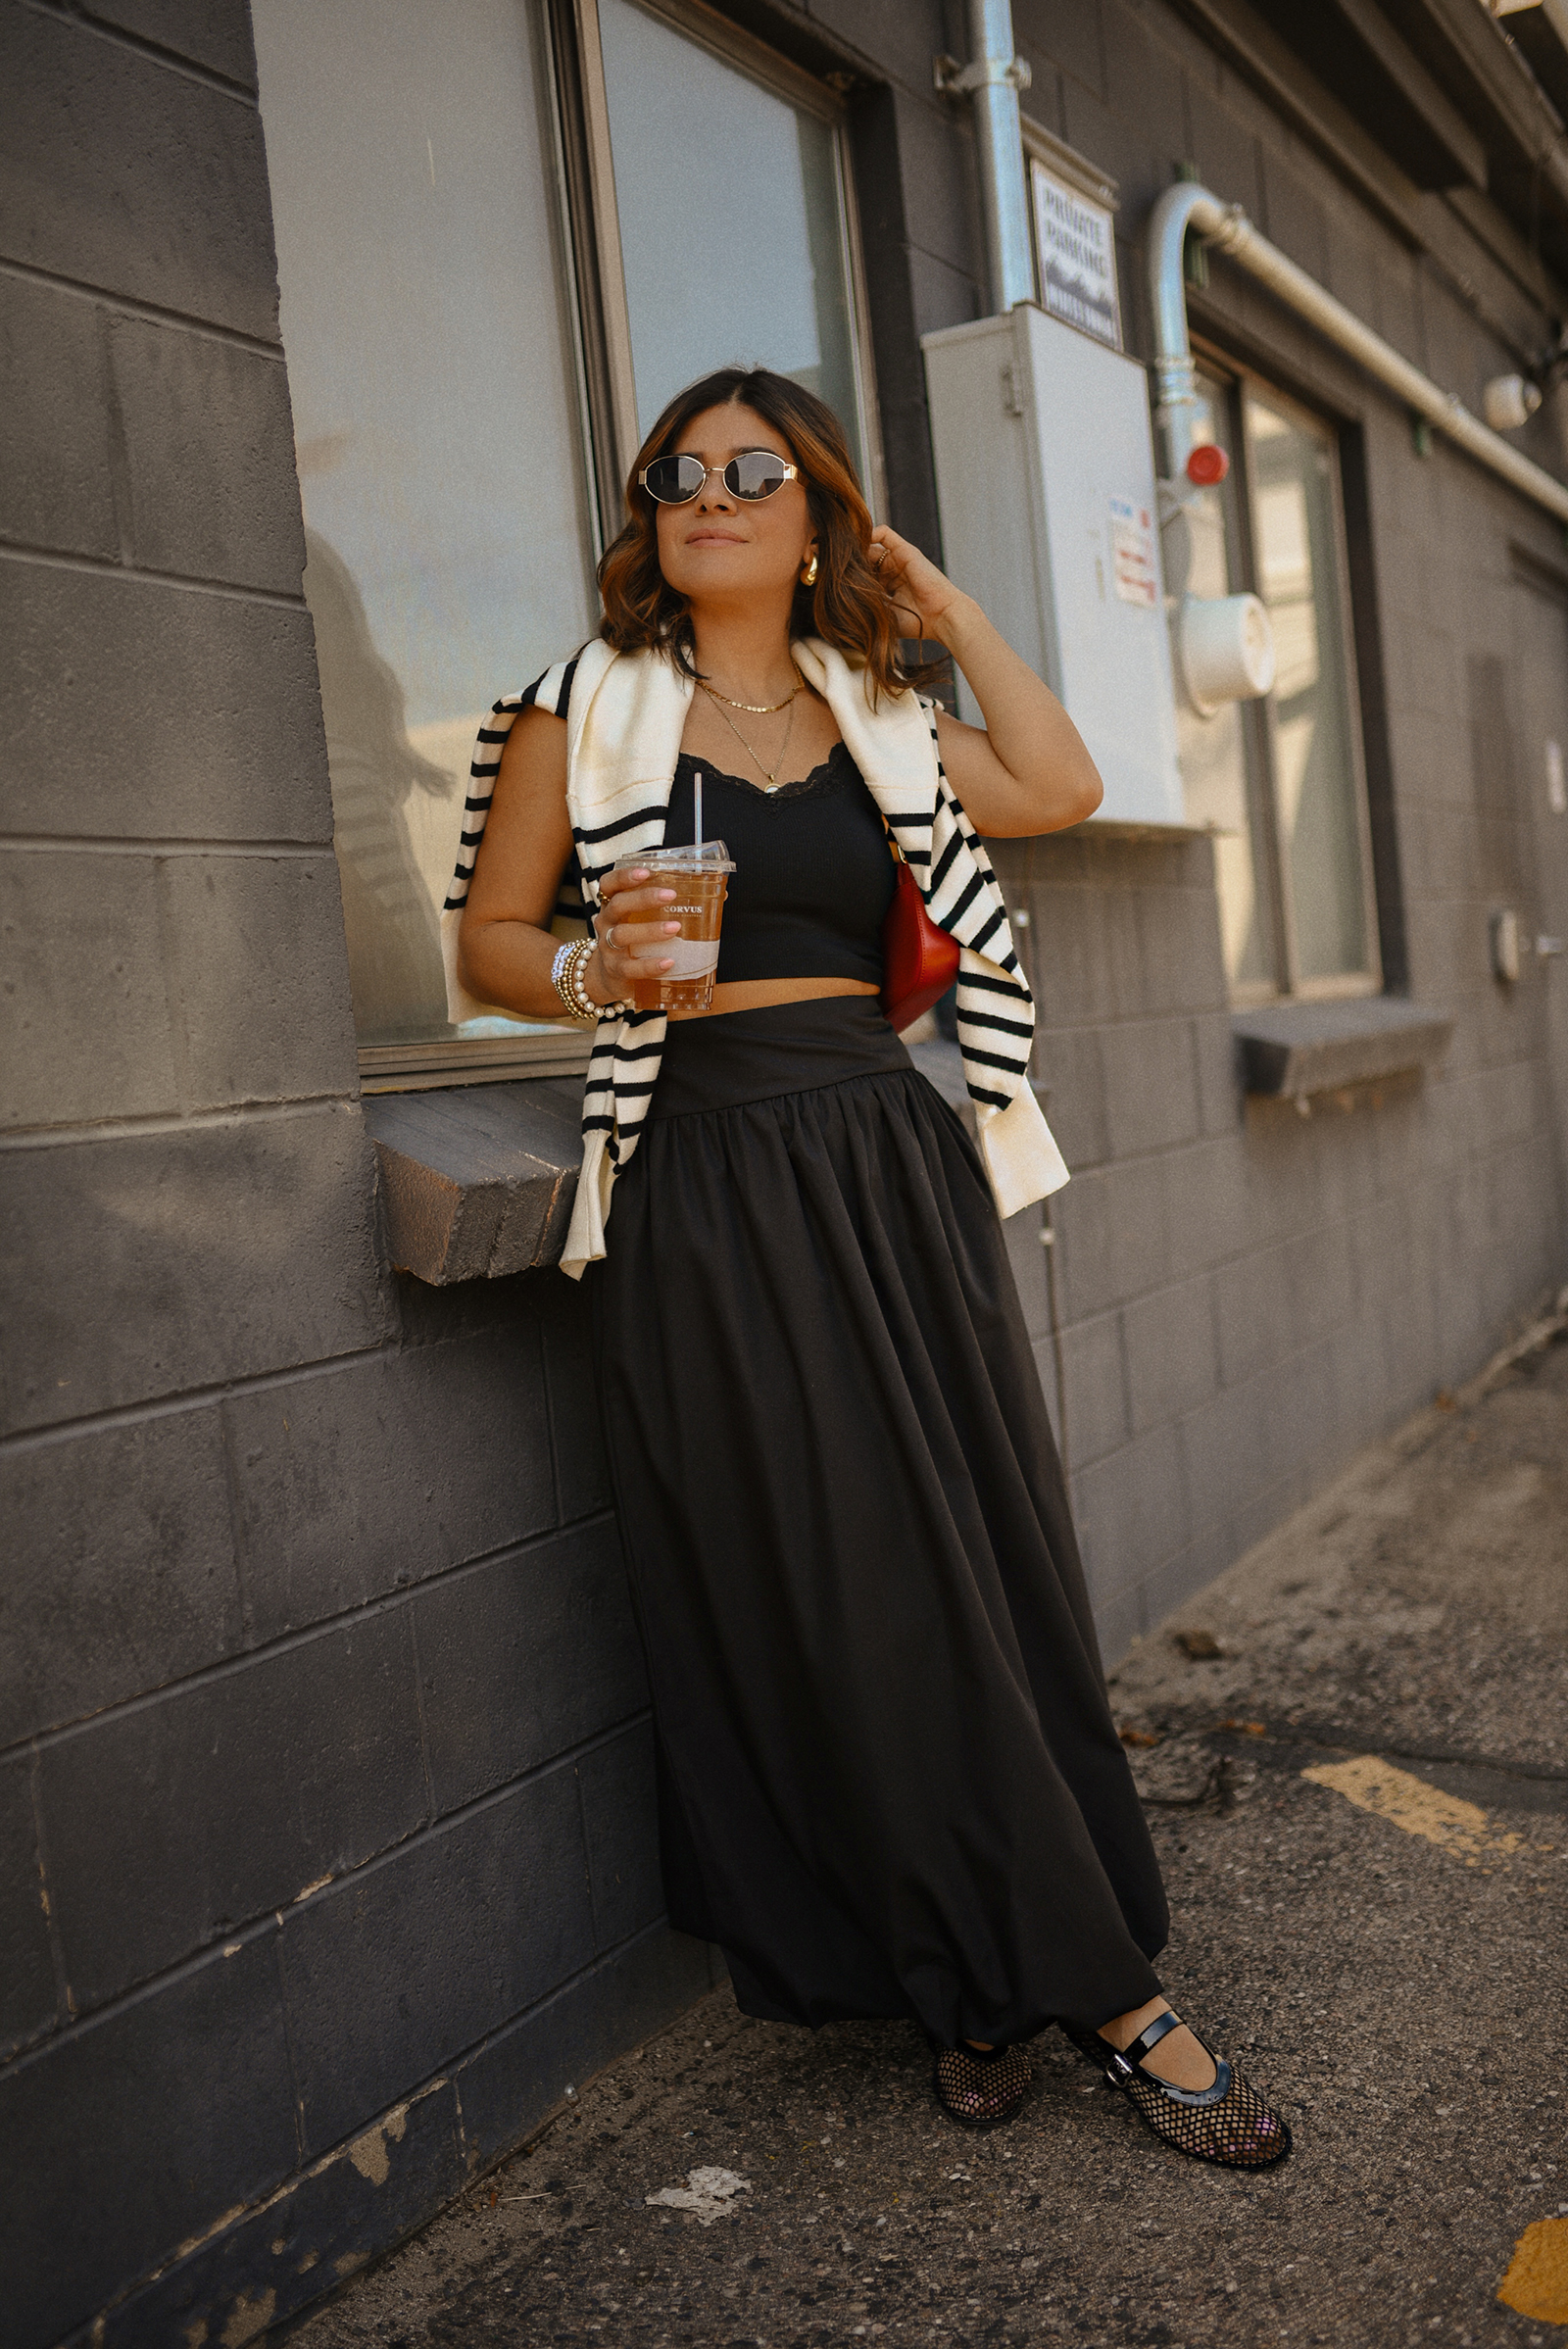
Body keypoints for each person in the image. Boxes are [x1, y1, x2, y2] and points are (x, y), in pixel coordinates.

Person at [451, 367, 1289, 2165]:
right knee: (822, 1584)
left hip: (885, 1155)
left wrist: (948, 609)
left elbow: (1055, 782)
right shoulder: (579, 713)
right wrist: (611, 977)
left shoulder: (878, 707)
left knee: (974, 1551)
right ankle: (969, 1969)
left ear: (823, 509)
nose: (711, 493)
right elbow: (497, 940)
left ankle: (1075, 1978)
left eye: (757, 471)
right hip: (703, 1175)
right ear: (646, 514)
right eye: (679, 472)